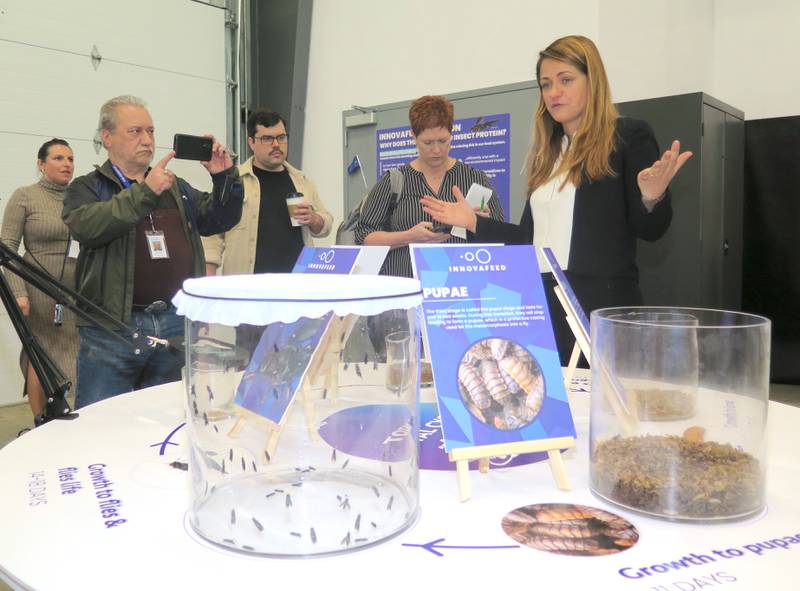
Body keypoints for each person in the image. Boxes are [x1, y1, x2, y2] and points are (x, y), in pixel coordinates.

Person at [421, 36, 692, 363]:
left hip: (597, 307)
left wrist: (652, 195)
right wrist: (472, 221)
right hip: (541, 303)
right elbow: (528, 239)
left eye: (566, 80)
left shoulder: (627, 136)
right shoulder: (546, 156)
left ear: (593, 81)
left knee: (600, 408)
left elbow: (652, 229)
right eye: (546, 84)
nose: (554, 93)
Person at [62, 95, 243, 408]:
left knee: (165, 418)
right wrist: (145, 193)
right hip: (113, 328)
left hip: (174, 322)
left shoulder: (175, 187)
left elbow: (218, 218)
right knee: (100, 421)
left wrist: (223, 176)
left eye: (151, 131)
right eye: (135, 132)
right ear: (107, 137)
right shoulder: (87, 187)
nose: (147, 140)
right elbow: (88, 227)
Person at [354, 95, 504, 279]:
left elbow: (500, 241)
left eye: (443, 141)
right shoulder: (394, 182)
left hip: (461, 290)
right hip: (407, 293)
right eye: (428, 142)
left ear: (452, 134)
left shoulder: (475, 179)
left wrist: (479, 224)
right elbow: (364, 238)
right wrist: (409, 237)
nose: (437, 150)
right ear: (414, 137)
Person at [1, 139, 79, 426]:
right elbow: (6, 247)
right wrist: (17, 292)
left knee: (76, 347)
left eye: (70, 158)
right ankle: (39, 419)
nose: (67, 164)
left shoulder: (79, 197)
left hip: (74, 290)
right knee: (41, 351)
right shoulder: (25, 196)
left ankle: (69, 410)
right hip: (36, 288)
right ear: (41, 164)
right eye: (58, 158)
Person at [203, 110, 332, 276]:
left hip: (299, 283)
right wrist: (209, 281)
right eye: (267, 139)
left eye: (281, 137)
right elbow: (212, 236)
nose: (276, 144)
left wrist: (315, 218)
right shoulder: (233, 180)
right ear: (251, 142)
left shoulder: (302, 181)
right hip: (248, 286)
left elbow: (326, 224)